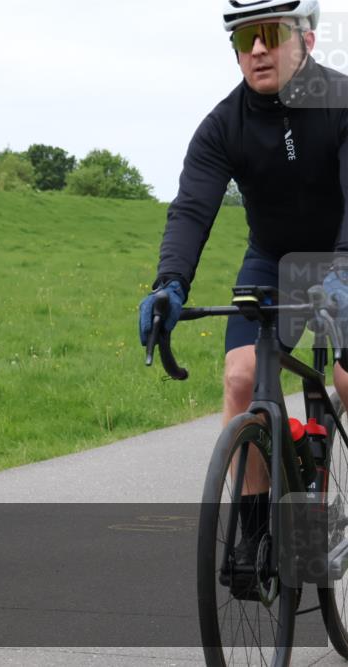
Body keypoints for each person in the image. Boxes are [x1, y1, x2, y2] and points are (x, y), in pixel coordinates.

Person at [138, 0, 348, 595]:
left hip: (343, 253)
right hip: (274, 262)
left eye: (269, 34)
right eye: (242, 39)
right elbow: (192, 207)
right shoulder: (222, 124)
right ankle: (256, 532)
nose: (256, 49)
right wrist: (169, 284)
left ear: (304, 38)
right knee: (241, 377)